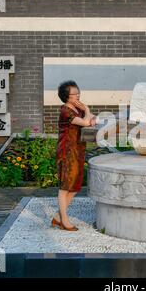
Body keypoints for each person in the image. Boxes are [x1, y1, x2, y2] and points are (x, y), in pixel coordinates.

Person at [51, 80, 97, 231]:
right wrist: (88, 110)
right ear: (66, 96)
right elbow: (85, 123)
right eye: (74, 94)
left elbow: (91, 120)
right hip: (67, 151)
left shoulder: (77, 110)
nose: (78, 96)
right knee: (65, 186)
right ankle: (64, 220)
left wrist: (89, 115)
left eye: (78, 93)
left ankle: (58, 217)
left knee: (75, 186)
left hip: (78, 150)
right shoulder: (66, 111)